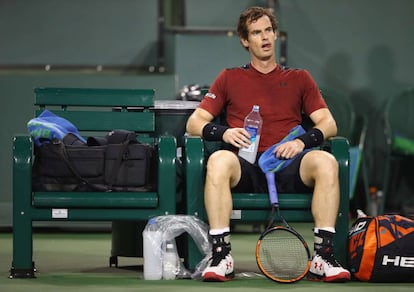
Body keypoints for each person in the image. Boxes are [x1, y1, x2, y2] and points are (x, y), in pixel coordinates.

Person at [185, 6, 351, 283]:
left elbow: (329, 124)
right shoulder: (229, 77)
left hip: (289, 165)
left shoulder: (300, 78)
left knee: (326, 161)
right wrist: (224, 133)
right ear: (244, 40)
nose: (264, 38)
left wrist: (301, 142)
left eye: (268, 31)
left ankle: (323, 256)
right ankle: (220, 255)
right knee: (217, 161)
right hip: (246, 168)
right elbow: (194, 122)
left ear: (275, 35)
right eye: (256, 32)